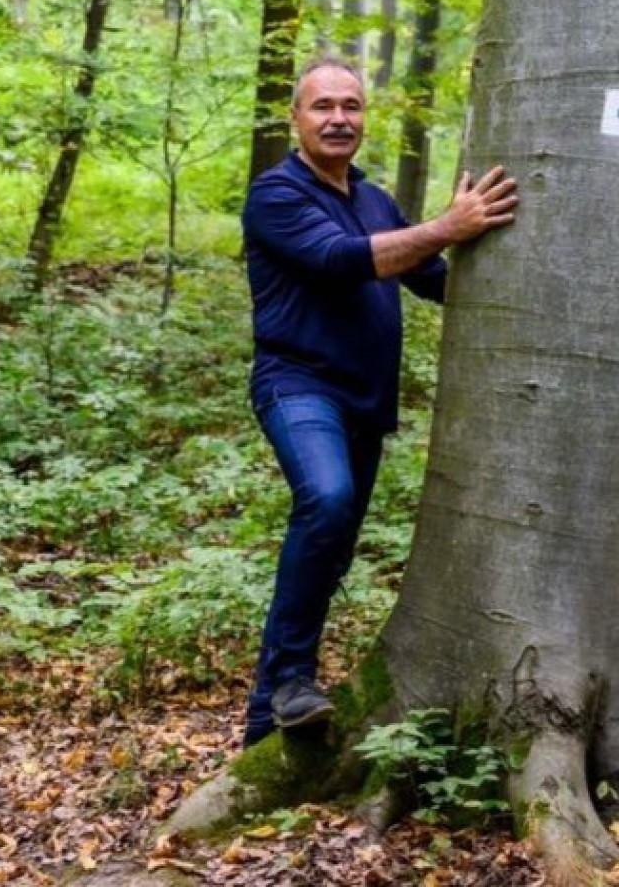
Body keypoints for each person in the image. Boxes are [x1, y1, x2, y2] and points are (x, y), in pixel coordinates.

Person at [241, 57, 518, 746]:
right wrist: (449, 225)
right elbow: (343, 260)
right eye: (323, 106)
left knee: (333, 550)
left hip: (365, 401)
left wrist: (527, 287)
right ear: (296, 119)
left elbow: (433, 279)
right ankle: (283, 693)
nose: (339, 118)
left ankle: (276, 717)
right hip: (298, 385)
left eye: (352, 106)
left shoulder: (375, 198)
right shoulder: (276, 194)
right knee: (327, 500)